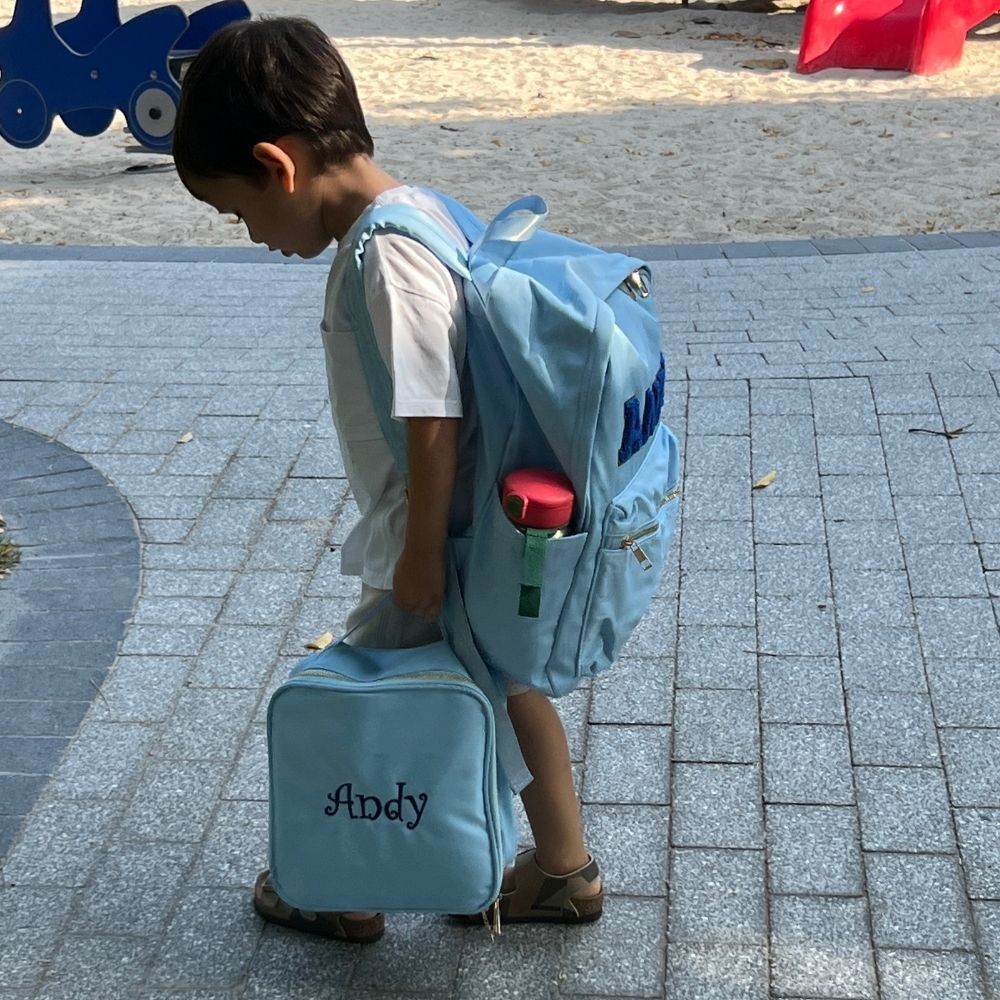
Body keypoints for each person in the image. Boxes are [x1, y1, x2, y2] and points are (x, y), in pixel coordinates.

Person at [171, 16, 602, 944]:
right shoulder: (424, 209)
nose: (251, 236)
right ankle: (564, 868)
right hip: (466, 533)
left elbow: (432, 418)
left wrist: (415, 557)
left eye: (239, 212)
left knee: (358, 700)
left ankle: (340, 884)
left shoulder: (386, 257)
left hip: (433, 539)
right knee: (507, 681)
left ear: (277, 165)